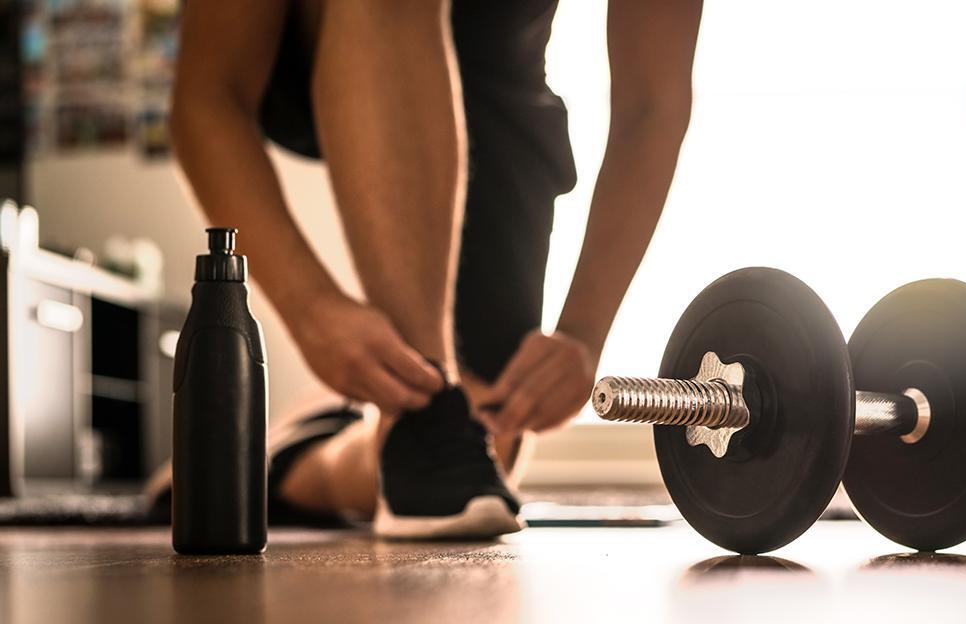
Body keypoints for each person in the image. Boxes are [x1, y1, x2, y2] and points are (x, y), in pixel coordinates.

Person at [169, 0, 702, 536]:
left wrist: (583, 333)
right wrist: (310, 308)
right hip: (317, 35)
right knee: (438, 452)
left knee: (486, 438)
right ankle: (423, 412)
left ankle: (294, 452)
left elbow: (651, 104)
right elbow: (208, 95)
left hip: (496, 82)